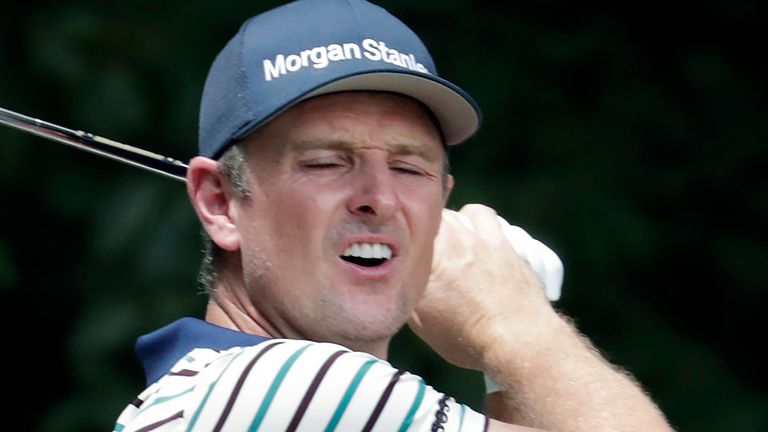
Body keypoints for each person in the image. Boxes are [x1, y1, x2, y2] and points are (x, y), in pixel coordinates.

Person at [113, 1, 673, 431]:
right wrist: (516, 327)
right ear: (220, 203)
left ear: (443, 198)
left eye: (410, 168)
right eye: (327, 162)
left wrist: (499, 370)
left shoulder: (218, 394)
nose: (379, 198)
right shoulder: (292, 389)